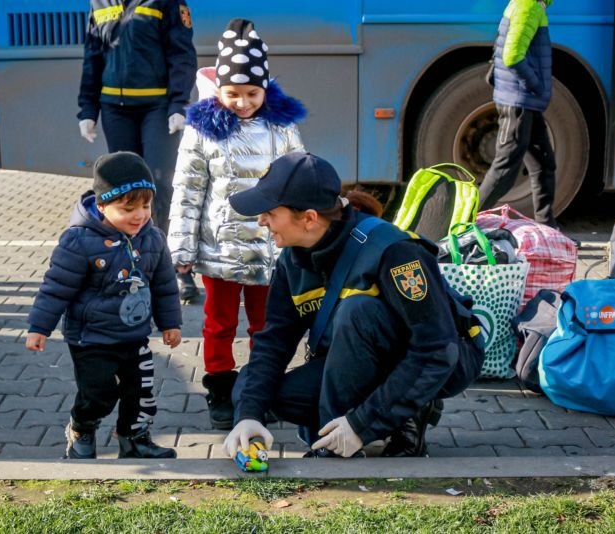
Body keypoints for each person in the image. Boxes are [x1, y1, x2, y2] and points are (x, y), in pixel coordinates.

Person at [221, 152, 485, 459]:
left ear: (309, 218)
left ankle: (404, 414)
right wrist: (248, 416)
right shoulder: (292, 259)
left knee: (358, 310)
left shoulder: (395, 253)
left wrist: (361, 425)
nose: (261, 220)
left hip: (444, 357)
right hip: (361, 358)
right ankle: (353, 423)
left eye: (270, 212)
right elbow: (274, 342)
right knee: (250, 390)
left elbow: (437, 349)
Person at [167, 18, 306, 430]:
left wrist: (305, 240)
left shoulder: (282, 126)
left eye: (251, 93)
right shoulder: (202, 130)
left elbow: (300, 180)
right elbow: (187, 191)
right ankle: (221, 390)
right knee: (219, 323)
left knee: (267, 325)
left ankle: (263, 388)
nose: (243, 102)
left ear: (265, 89)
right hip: (220, 250)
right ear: (218, 89)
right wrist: (182, 248)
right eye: (233, 94)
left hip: (270, 249)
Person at [26, 151, 182, 460]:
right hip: (91, 339)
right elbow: (56, 289)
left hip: (134, 335)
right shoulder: (79, 241)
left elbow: (164, 286)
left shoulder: (152, 239)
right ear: (101, 206)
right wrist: (39, 327)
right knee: (100, 394)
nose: (139, 215)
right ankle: (82, 426)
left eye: (146, 206)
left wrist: (170, 323)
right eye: (128, 208)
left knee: (141, 393)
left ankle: (134, 438)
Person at [77, 0, 197, 243]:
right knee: (124, 186)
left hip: (158, 108)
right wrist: (88, 109)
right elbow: (92, 57)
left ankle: (160, 251)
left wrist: (178, 103)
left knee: (158, 184)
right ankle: (129, 253)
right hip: (115, 110)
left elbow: (181, 53)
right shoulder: (98, 3)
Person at [479, 0, 558, 228]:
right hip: (519, 103)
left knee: (544, 163)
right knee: (505, 171)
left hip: (526, 102)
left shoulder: (528, 5)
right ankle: (461, 225)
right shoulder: (529, 6)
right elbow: (512, 56)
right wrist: (536, 85)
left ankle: (548, 228)